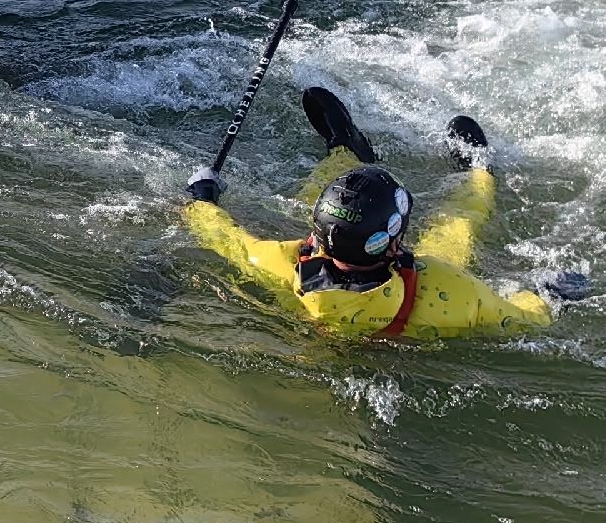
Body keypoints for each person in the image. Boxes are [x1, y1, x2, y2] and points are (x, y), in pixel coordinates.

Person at [185, 87, 557, 340]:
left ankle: (344, 149)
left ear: (318, 240)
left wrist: (203, 200)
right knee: (460, 225)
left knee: (326, 198)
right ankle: (479, 172)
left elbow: (226, 239)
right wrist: (549, 296)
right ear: (392, 245)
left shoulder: (283, 266)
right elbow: (522, 321)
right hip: (412, 310)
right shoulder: (448, 291)